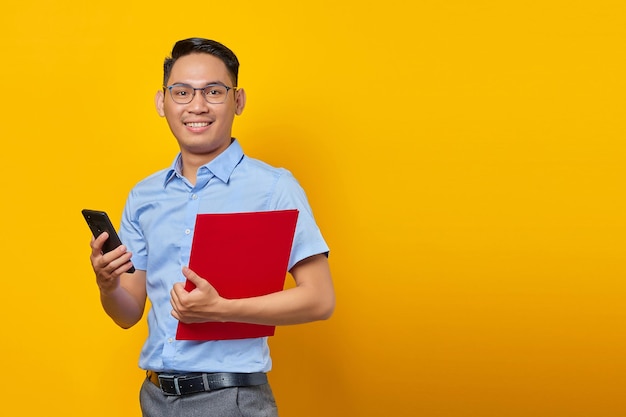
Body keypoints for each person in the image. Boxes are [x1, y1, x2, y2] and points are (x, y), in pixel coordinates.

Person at [88, 37, 335, 417]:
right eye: (182, 92)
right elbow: (128, 313)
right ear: (162, 102)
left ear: (238, 100)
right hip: (155, 398)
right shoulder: (144, 196)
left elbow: (320, 299)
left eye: (214, 91)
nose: (197, 105)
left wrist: (222, 309)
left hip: (231, 398)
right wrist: (107, 286)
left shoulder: (274, 188)